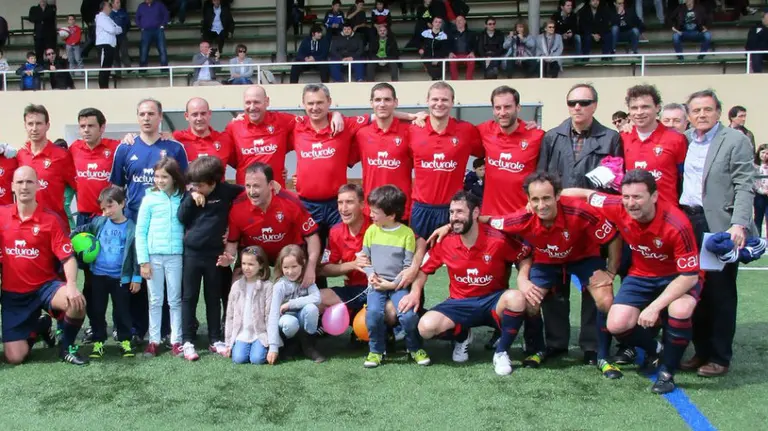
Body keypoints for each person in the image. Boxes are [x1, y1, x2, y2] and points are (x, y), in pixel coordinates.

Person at [563, 169, 702, 394]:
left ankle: (667, 372)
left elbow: (690, 276)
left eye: (637, 197)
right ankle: (656, 348)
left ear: (654, 196)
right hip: (642, 275)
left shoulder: (677, 224)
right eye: (626, 197)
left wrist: (654, 307)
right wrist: (550, 197)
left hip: (677, 277)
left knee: (681, 308)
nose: (630, 203)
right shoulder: (617, 205)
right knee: (616, 324)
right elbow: (585, 195)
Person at [484, 172, 622, 377]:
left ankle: (601, 355)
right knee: (530, 302)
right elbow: (488, 220)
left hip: (584, 258)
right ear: (528, 201)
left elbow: (613, 236)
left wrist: (611, 271)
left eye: (546, 198)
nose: (541, 205)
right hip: (547, 261)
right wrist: (449, 225)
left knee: (605, 300)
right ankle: (539, 348)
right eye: (535, 199)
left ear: (558, 195)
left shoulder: (581, 211)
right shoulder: (523, 217)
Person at [537, 83, 622, 365]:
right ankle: (557, 342)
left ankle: (591, 346)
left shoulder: (611, 139)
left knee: (593, 287)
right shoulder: (552, 137)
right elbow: (541, 180)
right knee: (555, 289)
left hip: (593, 227)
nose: (578, 107)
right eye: (573, 102)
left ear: (595, 105)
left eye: (584, 102)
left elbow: (614, 183)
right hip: (557, 224)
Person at [679, 89, 757, 377]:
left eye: (707, 109)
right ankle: (700, 351)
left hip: (719, 226)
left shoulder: (735, 140)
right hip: (688, 223)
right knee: (694, 289)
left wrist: (739, 224)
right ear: (688, 115)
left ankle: (720, 356)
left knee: (720, 293)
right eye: (696, 110)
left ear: (718, 112)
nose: (701, 115)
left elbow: (744, 185)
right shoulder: (684, 140)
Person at [413, 191, 531, 375]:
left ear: (475, 213)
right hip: (459, 303)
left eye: (459, 212)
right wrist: (415, 292)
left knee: (516, 298)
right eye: (451, 213)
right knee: (425, 327)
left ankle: (502, 352)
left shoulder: (498, 240)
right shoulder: (445, 241)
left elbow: (525, 256)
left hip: (492, 301)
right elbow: (423, 270)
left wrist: (522, 278)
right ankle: (462, 336)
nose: (454, 218)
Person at [110, 99, 188, 342]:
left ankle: (165, 331)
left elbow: (185, 185)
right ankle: (134, 328)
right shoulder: (125, 148)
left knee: (165, 280)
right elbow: (116, 186)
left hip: (166, 226)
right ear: (137, 117)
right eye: (142, 113)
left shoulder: (174, 148)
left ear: (159, 116)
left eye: (151, 113)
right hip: (135, 223)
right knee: (135, 276)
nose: (146, 118)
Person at [1, 166, 87, 366]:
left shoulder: (50, 219)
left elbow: (68, 258)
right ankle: (39, 326)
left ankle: (66, 347)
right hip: (14, 295)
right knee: (14, 358)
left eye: (30, 182)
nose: (25, 186)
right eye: (20, 182)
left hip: (45, 287)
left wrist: (72, 285)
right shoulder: (1, 215)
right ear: (12, 186)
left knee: (76, 301)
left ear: (38, 185)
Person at [177, 156, 244, 360]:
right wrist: (190, 196)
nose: (196, 187)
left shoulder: (226, 191)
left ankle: (215, 339)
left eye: (200, 185)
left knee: (213, 297)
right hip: (192, 254)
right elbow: (181, 217)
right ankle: (187, 340)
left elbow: (247, 191)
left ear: (213, 182)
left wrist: (276, 184)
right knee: (189, 297)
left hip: (215, 255)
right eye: (193, 184)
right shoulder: (191, 194)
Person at [362, 185, 430, 368]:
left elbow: (408, 267)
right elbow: (364, 259)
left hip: (398, 285)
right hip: (376, 284)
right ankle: (376, 351)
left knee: (408, 316)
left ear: (391, 215)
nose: (371, 215)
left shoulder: (406, 234)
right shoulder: (371, 231)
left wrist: (392, 285)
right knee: (373, 315)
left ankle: (414, 348)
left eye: (375, 212)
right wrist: (371, 276)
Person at [71, 186, 140, 359]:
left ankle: (125, 340)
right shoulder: (99, 222)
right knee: (97, 310)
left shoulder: (131, 227)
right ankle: (98, 342)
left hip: (120, 278)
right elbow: (80, 230)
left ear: (122, 203)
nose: (107, 211)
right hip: (98, 276)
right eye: (103, 208)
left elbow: (136, 254)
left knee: (122, 311)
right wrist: (70, 238)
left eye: (110, 206)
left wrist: (136, 277)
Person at [408, 81, 482, 240]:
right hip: (421, 209)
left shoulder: (467, 130)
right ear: (427, 101)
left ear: (452, 102)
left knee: (454, 260)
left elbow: (494, 141)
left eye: (444, 100)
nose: (439, 104)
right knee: (418, 259)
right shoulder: (413, 130)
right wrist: (409, 116)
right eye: (435, 99)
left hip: (453, 208)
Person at [222, 162, 322, 277]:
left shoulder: (291, 202)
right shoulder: (237, 207)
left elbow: (312, 236)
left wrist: (311, 267)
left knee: (308, 274)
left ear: (271, 185)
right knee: (238, 283)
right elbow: (232, 242)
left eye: (256, 186)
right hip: (255, 254)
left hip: (288, 254)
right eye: (248, 186)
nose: (251, 192)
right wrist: (228, 257)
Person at [135, 157, 186, 358]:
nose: (160, 180)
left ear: (174, 177)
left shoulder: (182, 197)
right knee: (155, 300)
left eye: (164, 176)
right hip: (154, 257)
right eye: (156, 176)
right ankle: (154, 341)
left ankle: (176, 340)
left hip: (175, 256)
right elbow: (141, 232)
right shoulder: (149, 199)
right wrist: (143, 261)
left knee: (174, 300)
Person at [476, 85, 545, 216]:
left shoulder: (537, 136)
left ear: (518, 107)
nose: (502, 112)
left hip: (524, 217)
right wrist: (426, 119)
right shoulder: (484, 131)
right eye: (498, 108)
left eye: (507, 107)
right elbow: (455, 132)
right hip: (492, 219)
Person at [621, 84, 688, 204]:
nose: (639, 112)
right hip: (633, 214)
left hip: (667, 215)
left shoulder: (677, 139)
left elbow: (684, 179)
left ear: (657, 108)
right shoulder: (622, 138)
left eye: (645, 107)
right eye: (634, 108)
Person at [17, 104, 77, 229]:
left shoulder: (62, 156)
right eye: (30, 124)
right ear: (25, 126)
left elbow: (79, 187)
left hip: (55, 226)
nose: (34, 128)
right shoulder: (20, 155)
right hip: (27, 226)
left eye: (39, 123)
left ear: (47, 125)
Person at [319, 184, 373, 317]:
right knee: (317, 299)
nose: (343, 208)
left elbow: (417, 240)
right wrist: (353, 265)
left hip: (380, 289)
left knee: (388, 314)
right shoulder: (335, 232)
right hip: (354, 290)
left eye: (349, 202)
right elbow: (324, 269)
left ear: (362, 205)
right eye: (340, 203)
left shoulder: (376, 225)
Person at [268, 245, 324, 363]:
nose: (290, 271)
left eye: (294, 266)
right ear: (280, 267)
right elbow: (273, 314)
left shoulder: (306, 279)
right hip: (287, 321)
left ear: (302, 263)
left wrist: (290, 304)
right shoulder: (280, 286)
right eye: (286, 267)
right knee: (290, 323)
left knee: (312, 309)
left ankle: (309, 346)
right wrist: (273, 347)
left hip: (302, 317)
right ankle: (290, 345)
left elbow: (317, 297)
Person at [224, 246, 274, 364]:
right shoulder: (237, 286)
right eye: (244, 263)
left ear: (261, 265)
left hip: (259, 333)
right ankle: (242, 346)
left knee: (257, 359)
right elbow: (230, 315)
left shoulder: (267, 286)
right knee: (238, 359)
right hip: (242, 333)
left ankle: (260, 348)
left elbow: (269, 316)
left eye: (251, 264)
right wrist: (228, 343)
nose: (246, 268)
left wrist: (272, 345)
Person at [95, 0, 122, 89]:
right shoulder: (101, 18)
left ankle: (105, 86)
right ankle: (103, 88)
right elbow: (112, 29)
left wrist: (115, 29)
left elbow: (119, 29)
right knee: (104, 68)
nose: (110, 7)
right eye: (109, 6)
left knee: (107, 68)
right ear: (104, 7)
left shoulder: (108, 18)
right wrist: (115, 29)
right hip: (104, 45)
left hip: (110, 45)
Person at [136, 0, 170, 69]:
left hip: (158, 30)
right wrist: (141, 26)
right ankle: (143, 70)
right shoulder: (141, 6)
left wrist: (163, 25)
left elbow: (166, 14)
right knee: (144, 50)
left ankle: (164, 70)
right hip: (146, 31)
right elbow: (137, 18)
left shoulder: (159, 4)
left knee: (162, 49)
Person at [419, 16, 450, 81]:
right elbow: (420, 43)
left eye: (439, 22)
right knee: (428, 62)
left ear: (441, 24)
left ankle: (435, 79)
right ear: (432, 23)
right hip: (427, 56)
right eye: (436, 22)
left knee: (442, 63)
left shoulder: (444, 36)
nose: (437, 24)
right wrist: (421, 48)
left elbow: (444, 50)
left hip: (439, 57)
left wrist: (437, 59)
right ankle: (436, 79)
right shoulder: (425, 33)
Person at [448, 15, 476, 81]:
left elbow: (475, 45)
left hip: (467, 55)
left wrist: (472, 52)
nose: (458, 22)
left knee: (472, 60)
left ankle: (469, 81)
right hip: (455, 55)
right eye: (457, 20)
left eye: (460, 20)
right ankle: (454, 81)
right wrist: (450, 52)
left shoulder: (471, 33)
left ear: (465, 21)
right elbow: (447, 45)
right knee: (451, 61)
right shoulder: (451, 34)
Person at [111, 0, 132, 71]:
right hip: (113, 37)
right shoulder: (109, 14)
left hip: (122, 36)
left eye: (119, 2)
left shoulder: (123, 12)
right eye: (117, 2)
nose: (119, 4)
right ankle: (118, 72)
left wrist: (124, 31)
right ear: (112, 4)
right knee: (115, 55)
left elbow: (128, 24)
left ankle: (129, 70)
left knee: (125, 53)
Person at [755, 144, 768, 236]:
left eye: (767, 153)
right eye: (763, 152)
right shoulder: (754, 166)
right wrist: (761, 190)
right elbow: (753, 181)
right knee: (758, 218)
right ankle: (757, 238)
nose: (765, 155)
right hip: (759, 196)